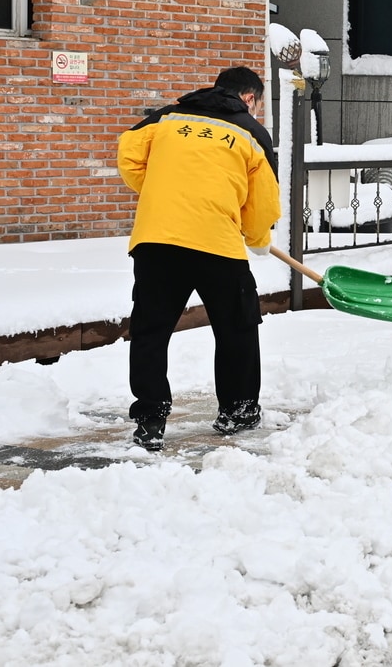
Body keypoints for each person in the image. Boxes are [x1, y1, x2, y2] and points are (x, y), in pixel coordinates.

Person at [116, 65, 280, 451]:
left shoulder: (166, 117)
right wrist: (256, 236)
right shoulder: (252, 132)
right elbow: (263, 200)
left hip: (157, 241)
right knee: (236, 328)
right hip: (217, 244)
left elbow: (128, 155)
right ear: (250, 98)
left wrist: (164, 193)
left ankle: (150, 420)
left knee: (151, 332)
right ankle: (237, 411)